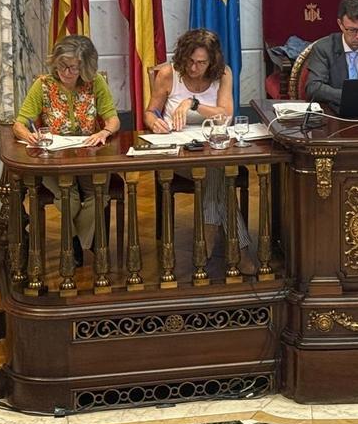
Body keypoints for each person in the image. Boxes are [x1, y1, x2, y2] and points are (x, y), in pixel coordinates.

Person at [144, 29, 253, 271]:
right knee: (217, 174)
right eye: (190, 61)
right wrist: (155, 123)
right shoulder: (167, 74)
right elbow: (150, 112)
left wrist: (192, 103)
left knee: (214, 170)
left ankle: (207, 242)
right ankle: (237, 250)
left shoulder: (223, 74)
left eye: (201, 63)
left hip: (214, 149)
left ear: (212, 62)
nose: (194, 68)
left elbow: (226, 115)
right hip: (180, 155)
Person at [13, 35, 119, 267]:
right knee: (68, 197)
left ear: (86, 68)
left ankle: (74, 242)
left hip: (88, 156)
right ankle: (76, 242)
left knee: (98, 194)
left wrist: (104, 133)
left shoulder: (96, 83)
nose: (66, 72)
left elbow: (113, 119)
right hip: (55, 158)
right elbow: (19, 123)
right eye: (62, 65)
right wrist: (29, 135)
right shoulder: (43, 85)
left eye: (73, 67)